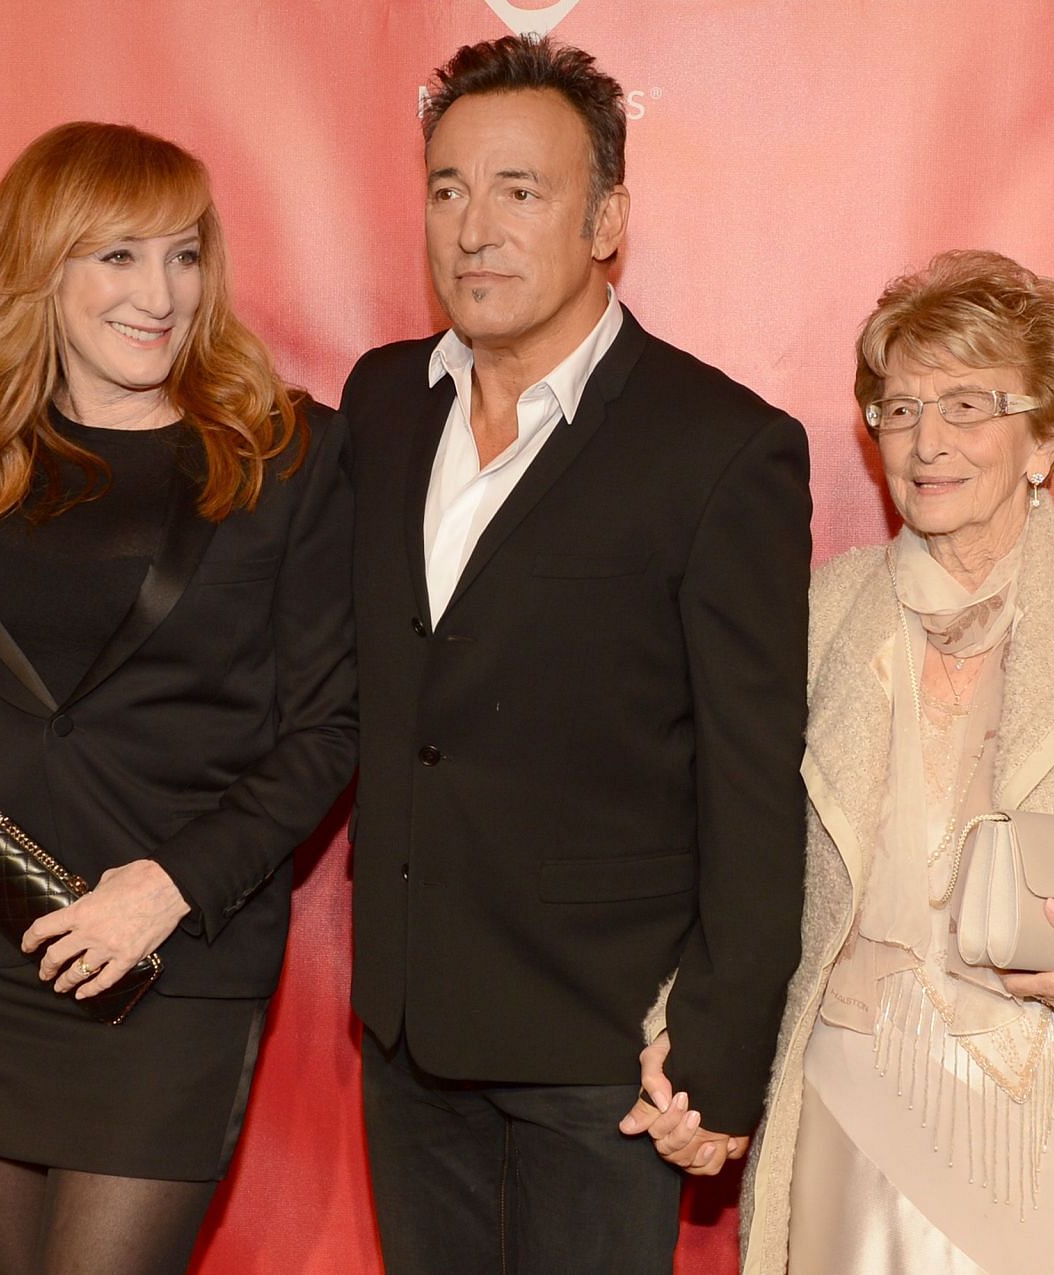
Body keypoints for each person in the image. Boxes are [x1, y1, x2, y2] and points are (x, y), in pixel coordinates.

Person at [635, 249, 1054, 1274]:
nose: (925, 442)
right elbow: (725, 858)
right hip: (858, 1111)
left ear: (1046, 433)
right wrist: (684, 1042)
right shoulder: (817, 617)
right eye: (900, 407)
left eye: (969, 405)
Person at [344, 35, 812, 1273]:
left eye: (520, 190)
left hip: (605, 1052)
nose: (474, 228)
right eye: (447, 188)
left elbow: (753, 777)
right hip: (406, 1037)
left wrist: (720, 1041)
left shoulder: (720, 448)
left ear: (606, 218)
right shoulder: (386, 402)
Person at [0, 121, 355, 1275]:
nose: (160, 293)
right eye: (116, 256)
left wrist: (168, 890)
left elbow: (325, 733)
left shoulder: (284, 458)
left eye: (184, 253)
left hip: (170, 968)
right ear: (41, 269)